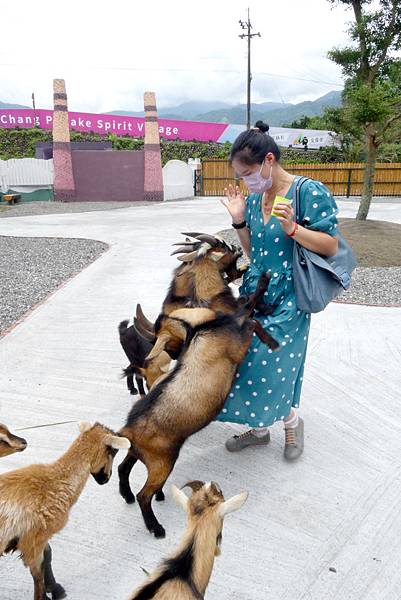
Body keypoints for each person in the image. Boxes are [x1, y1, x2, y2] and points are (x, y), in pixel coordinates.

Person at [217, 121, 339, 460]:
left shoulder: (307, 192)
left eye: (248, 173)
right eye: (242, 176)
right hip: (255, 294)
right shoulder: (256, 199)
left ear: (269, 160)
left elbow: (330, 246)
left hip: (289, 298)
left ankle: (291, 422)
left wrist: (293, 228)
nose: (246, 182)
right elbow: (253, 252)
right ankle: (259, 430)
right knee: (241, 361)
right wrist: (240, 219)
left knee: (272, 364)